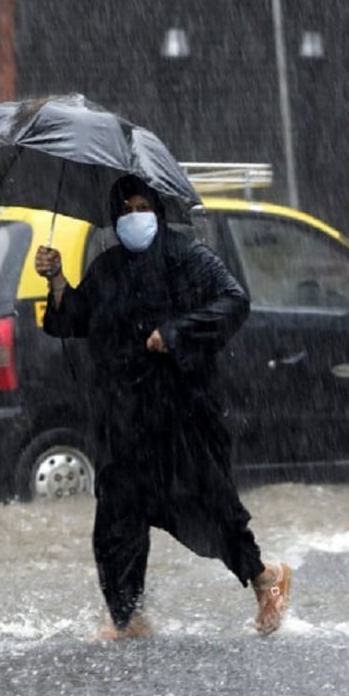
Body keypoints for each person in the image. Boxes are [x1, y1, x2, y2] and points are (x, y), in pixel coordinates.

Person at [34, 174, 291, 639]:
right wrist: (55, 280)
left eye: (142, 206)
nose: (135, 216)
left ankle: (266, 577)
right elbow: (72, 318)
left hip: (181, 415)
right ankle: (126, 618)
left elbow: (234, 301)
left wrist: (174, 333)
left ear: (158, 208)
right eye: (126, 209)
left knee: (206, 506)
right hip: (125, 420)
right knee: (117, 521)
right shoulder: (108, 267)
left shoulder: (186, 257)